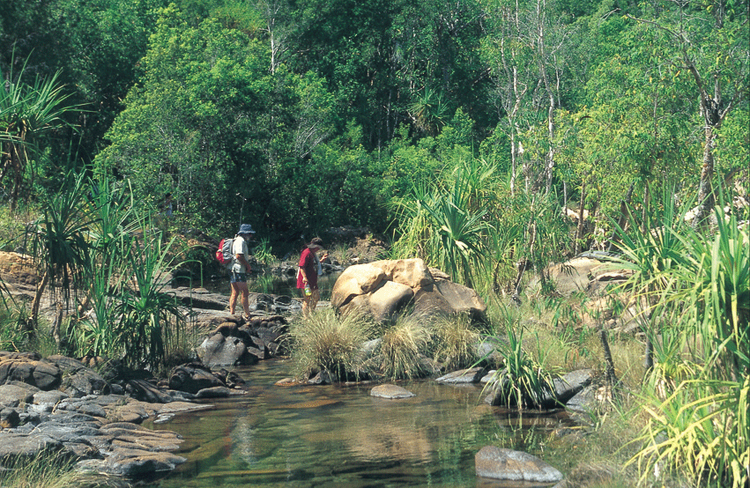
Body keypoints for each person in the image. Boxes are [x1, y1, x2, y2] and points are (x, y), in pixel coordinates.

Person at [229, 223, 256, 320]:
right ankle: (247, 314)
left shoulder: (236, 240)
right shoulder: (240, 241)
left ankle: (232, 313)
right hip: (239, 270)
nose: (250, 236)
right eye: (249, 233)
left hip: (233, 269)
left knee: (235, 292)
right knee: (245, 292)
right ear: (244, 233)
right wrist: (247, 265)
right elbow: (239, 256)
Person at [297, 237, 327, 316]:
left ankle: (311, 312)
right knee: (307, 299)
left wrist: (321, 260)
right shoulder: (306, 252)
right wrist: (304, 277)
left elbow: (313, 264)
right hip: (305, 281)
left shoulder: (312, 253)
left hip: (312, 280)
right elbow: (301, 267)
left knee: (316, 297)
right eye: (318, 247)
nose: (318, 249)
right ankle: (306, 318)